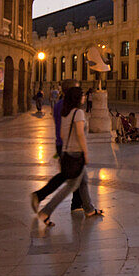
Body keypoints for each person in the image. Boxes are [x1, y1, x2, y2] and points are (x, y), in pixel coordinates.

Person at [33, 86, 101, 225]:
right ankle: (46, 211)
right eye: (82, 95)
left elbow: (63, 135)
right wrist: (85, 153)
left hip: (68, 152)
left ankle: (89, 209)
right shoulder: (79, 113)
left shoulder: (66, 113)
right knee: (70, 187)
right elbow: (80, 134)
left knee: (83, 181)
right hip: (77, 154)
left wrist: (63, 153)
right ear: (77, 98)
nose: (84, 97)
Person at [52, 90, 65, 157]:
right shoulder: (69, 106)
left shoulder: (57, 105)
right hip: (69, 145)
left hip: (59, 142)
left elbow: (55, 119)